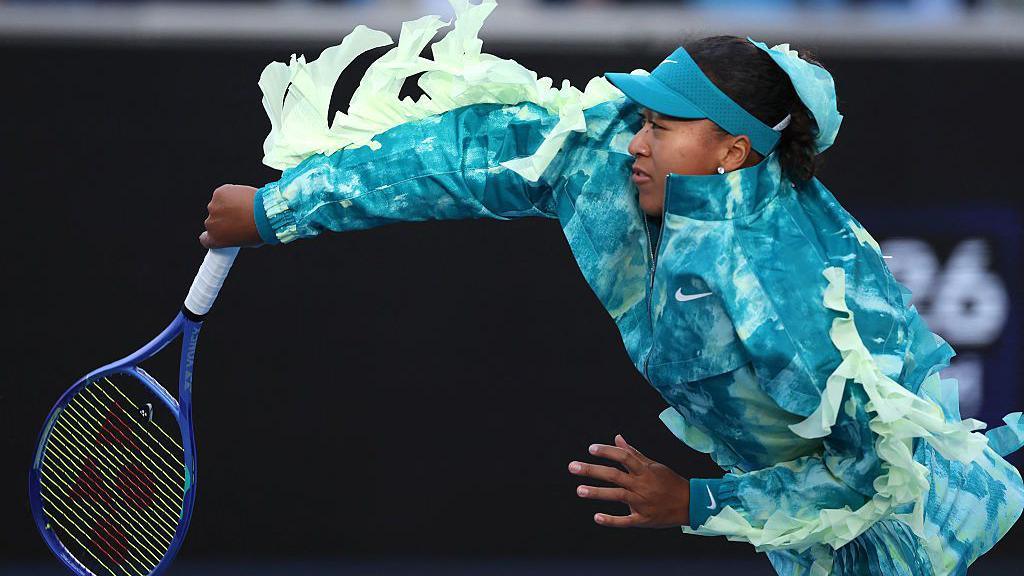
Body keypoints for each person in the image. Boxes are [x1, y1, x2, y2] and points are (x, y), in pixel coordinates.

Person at [199, 1, 1024, 573]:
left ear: (732, 152)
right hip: (797, 532)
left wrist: (690, 502)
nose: (635, 141)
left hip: (912, 530)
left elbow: (871, 475)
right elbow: (464, 153)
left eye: (662, 127)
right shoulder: (607, 158)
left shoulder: (783, 290)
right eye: (643, 119)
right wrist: (278, 209)